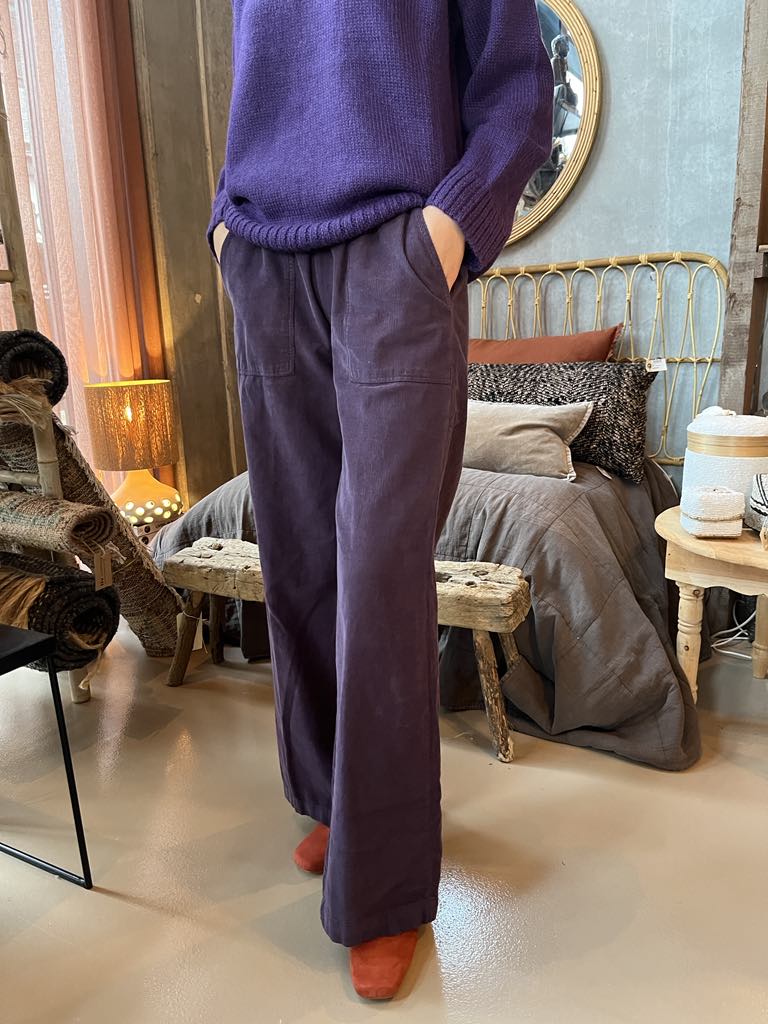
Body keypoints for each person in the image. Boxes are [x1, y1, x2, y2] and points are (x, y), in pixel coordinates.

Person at [210, 0, 553, 1001]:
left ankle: (387, 890)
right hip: (266, 252)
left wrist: (448, 230)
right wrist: (227, 223)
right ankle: (339, 805)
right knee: (299, 559)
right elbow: (263, 80)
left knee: (379, 570)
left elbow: (519, 93)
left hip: (396, 254)